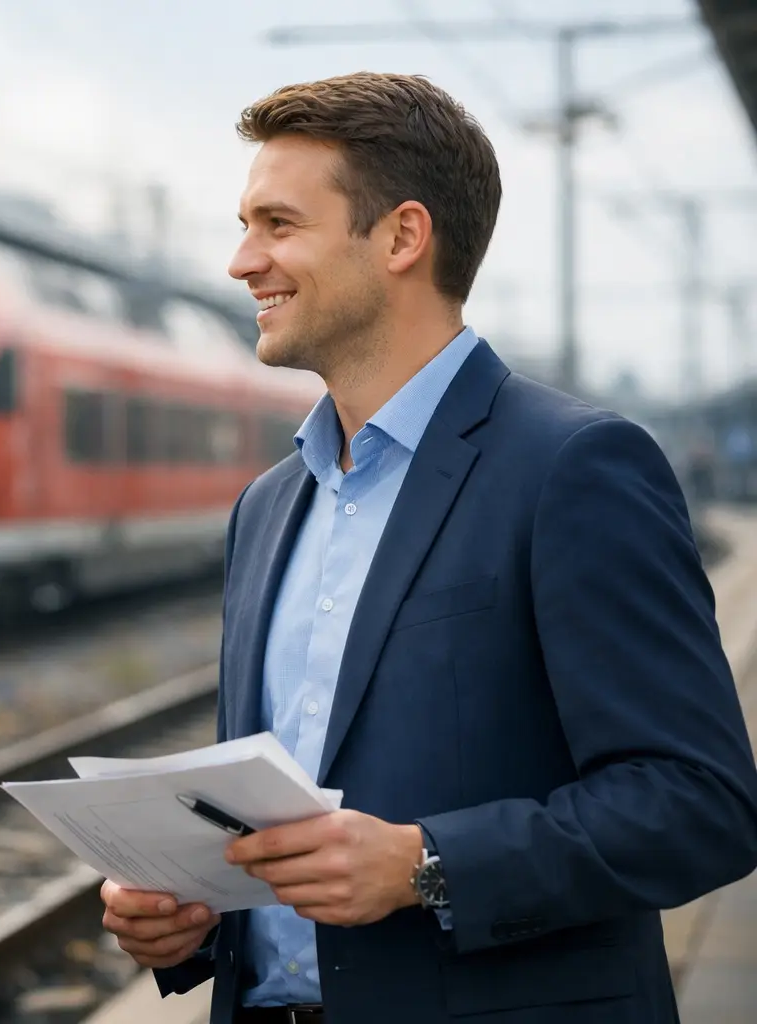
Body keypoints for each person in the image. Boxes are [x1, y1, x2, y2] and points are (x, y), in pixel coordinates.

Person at [99, 71, 757, 1023]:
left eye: (279, 224)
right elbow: (269, 827)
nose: (242, 261)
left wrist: (427, 866)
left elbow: (700, 803)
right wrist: (192, 917)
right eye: (244, 225)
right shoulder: (266, 508)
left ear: (403, 237)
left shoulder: (574, 467)